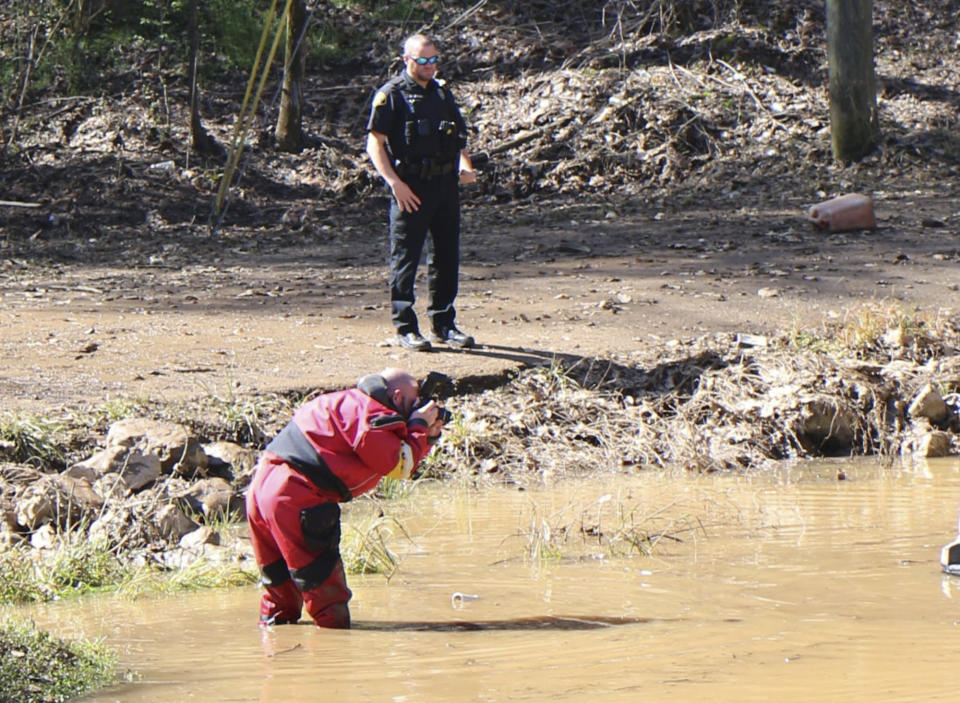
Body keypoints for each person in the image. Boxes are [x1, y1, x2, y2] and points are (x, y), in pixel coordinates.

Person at [245, 368, 444, 628]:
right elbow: (399, 465)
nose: (419, 407)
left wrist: (426, 435)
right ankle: (333, 657)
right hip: (295, 495)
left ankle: (273, 653)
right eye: (415, 401)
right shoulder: (374, 414)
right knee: (326, 594)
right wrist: (419, 425)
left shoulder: (343, 401)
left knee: (278, 591)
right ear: (396, 396)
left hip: (261, 489)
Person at [366, 33, 477, 352]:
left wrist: (464, 166)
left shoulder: (442, 94)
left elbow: (458, 138)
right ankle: (405, 327)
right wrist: (394, 183)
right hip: (411, 187)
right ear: (407, 60)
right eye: (422, 60)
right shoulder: (392, 95)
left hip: (444, 187)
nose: (430, 66)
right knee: (406, 258)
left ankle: (444, 323)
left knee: (446, 257)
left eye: (433, 60)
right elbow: (375, 143)